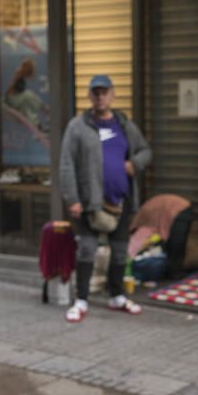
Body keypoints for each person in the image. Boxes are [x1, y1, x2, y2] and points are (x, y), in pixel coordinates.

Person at [59, 74, 152, 323]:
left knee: (120, 252)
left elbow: (146, 151)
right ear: (90, 96)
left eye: (104, 92)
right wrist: (72, 199)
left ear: (112, 95)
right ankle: (81, 300)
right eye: (96, 93)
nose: (100, 97)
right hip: (89, 203)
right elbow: (66, 164)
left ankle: (117, 296)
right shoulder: (78, 126)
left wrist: (134, 163)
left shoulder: (124, 124)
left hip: (120, 201)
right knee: (87, 250)